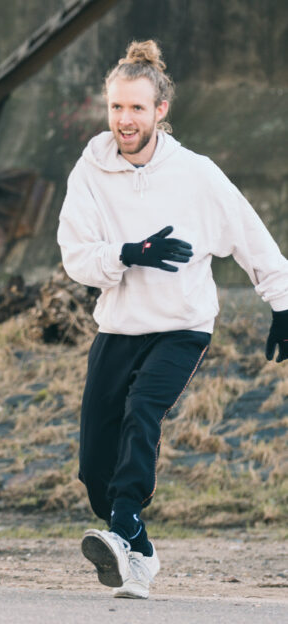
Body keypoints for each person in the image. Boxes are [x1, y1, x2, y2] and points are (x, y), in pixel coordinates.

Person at [57, 39, 288, 600]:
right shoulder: (89, 173)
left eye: (137, 108)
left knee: (143, 411)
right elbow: (75, 254)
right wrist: (125, 254)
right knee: (94, 468)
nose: (125, 119)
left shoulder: (197, 175)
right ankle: (137, 548)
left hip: (182, 326)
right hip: (118, 328)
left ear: (161, 110)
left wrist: (282, 304)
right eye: (116, 108)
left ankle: (124, 525)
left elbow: (250, 236)